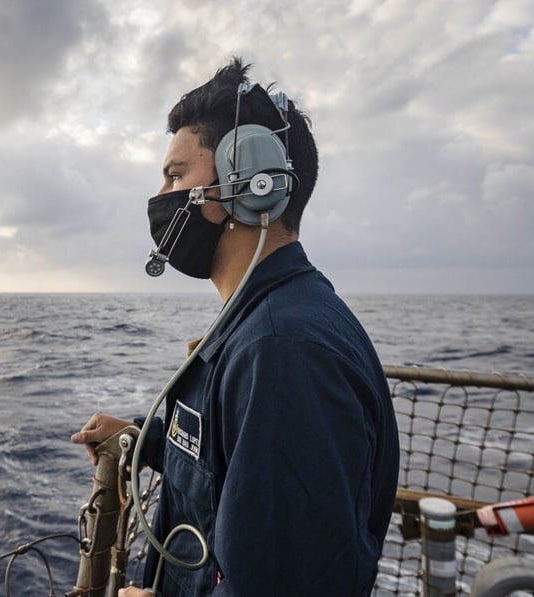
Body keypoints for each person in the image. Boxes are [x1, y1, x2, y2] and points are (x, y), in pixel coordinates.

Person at [70, 57, 399, 596]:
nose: (160, 196)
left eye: (176, 174)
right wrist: (145, 438)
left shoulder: (283, 351)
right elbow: (235, 464)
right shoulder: (263, 322)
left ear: (253, 182)